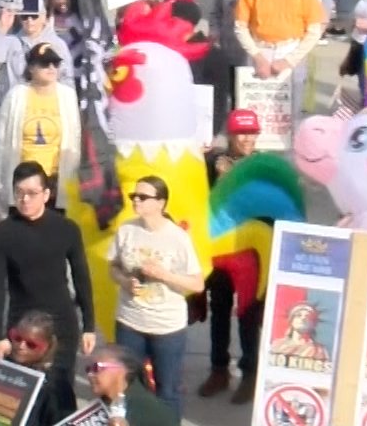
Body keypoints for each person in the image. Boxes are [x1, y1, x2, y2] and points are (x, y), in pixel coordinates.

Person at [0, 160, 96, 415]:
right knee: (22, 398)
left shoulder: (66, 229)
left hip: (61, 324)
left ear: (46, 194)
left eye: (32, 193)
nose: (24, 199)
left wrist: (89, 326)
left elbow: (81, 278)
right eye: (19, 192)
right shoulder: (2, 233)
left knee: (61, 395)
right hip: (23, 327)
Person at [108, 173, 205, 417]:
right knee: (128, 386)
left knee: (167, 390)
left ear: (161, 202)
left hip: (166, 327)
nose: (136, 200)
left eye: (143, 197)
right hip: (130, 322)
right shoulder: (127, 230)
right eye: (134, 196)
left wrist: (164, 275)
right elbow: (113, 267)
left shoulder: (178, 238)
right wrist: (125, 281)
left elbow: (197, 284)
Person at [199, 110, 264, 403]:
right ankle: (219, 370)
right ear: (230, 135)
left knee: (249, 312)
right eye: (241, 133)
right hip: (221, 248)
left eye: (252, 133)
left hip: (253, 250)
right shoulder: (213, 162)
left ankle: (249, 373)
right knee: (220, 310)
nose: (247, 139)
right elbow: (197, 196)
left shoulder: (265, 165)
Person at [0, 42, 81, 217]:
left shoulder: (68, 96)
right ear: (31, 68)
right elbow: (1, 139)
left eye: (55, 63)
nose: (51, 68)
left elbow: (75, 138)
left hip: (55, 180)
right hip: (24, 178)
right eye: (44, 63)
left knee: (53, 226)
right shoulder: (16, 95)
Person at [0, 311, 75, 426]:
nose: (21, 346)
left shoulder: (57, 384)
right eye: (17, 338)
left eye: (31, 344)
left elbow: (64, 421)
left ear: (47, 347)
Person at [86, 343, 180, 426]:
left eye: (96, 368)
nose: (90, 374)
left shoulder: (152, 412)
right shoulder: (100, 406)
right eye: (88, 369)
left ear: (122, 369)